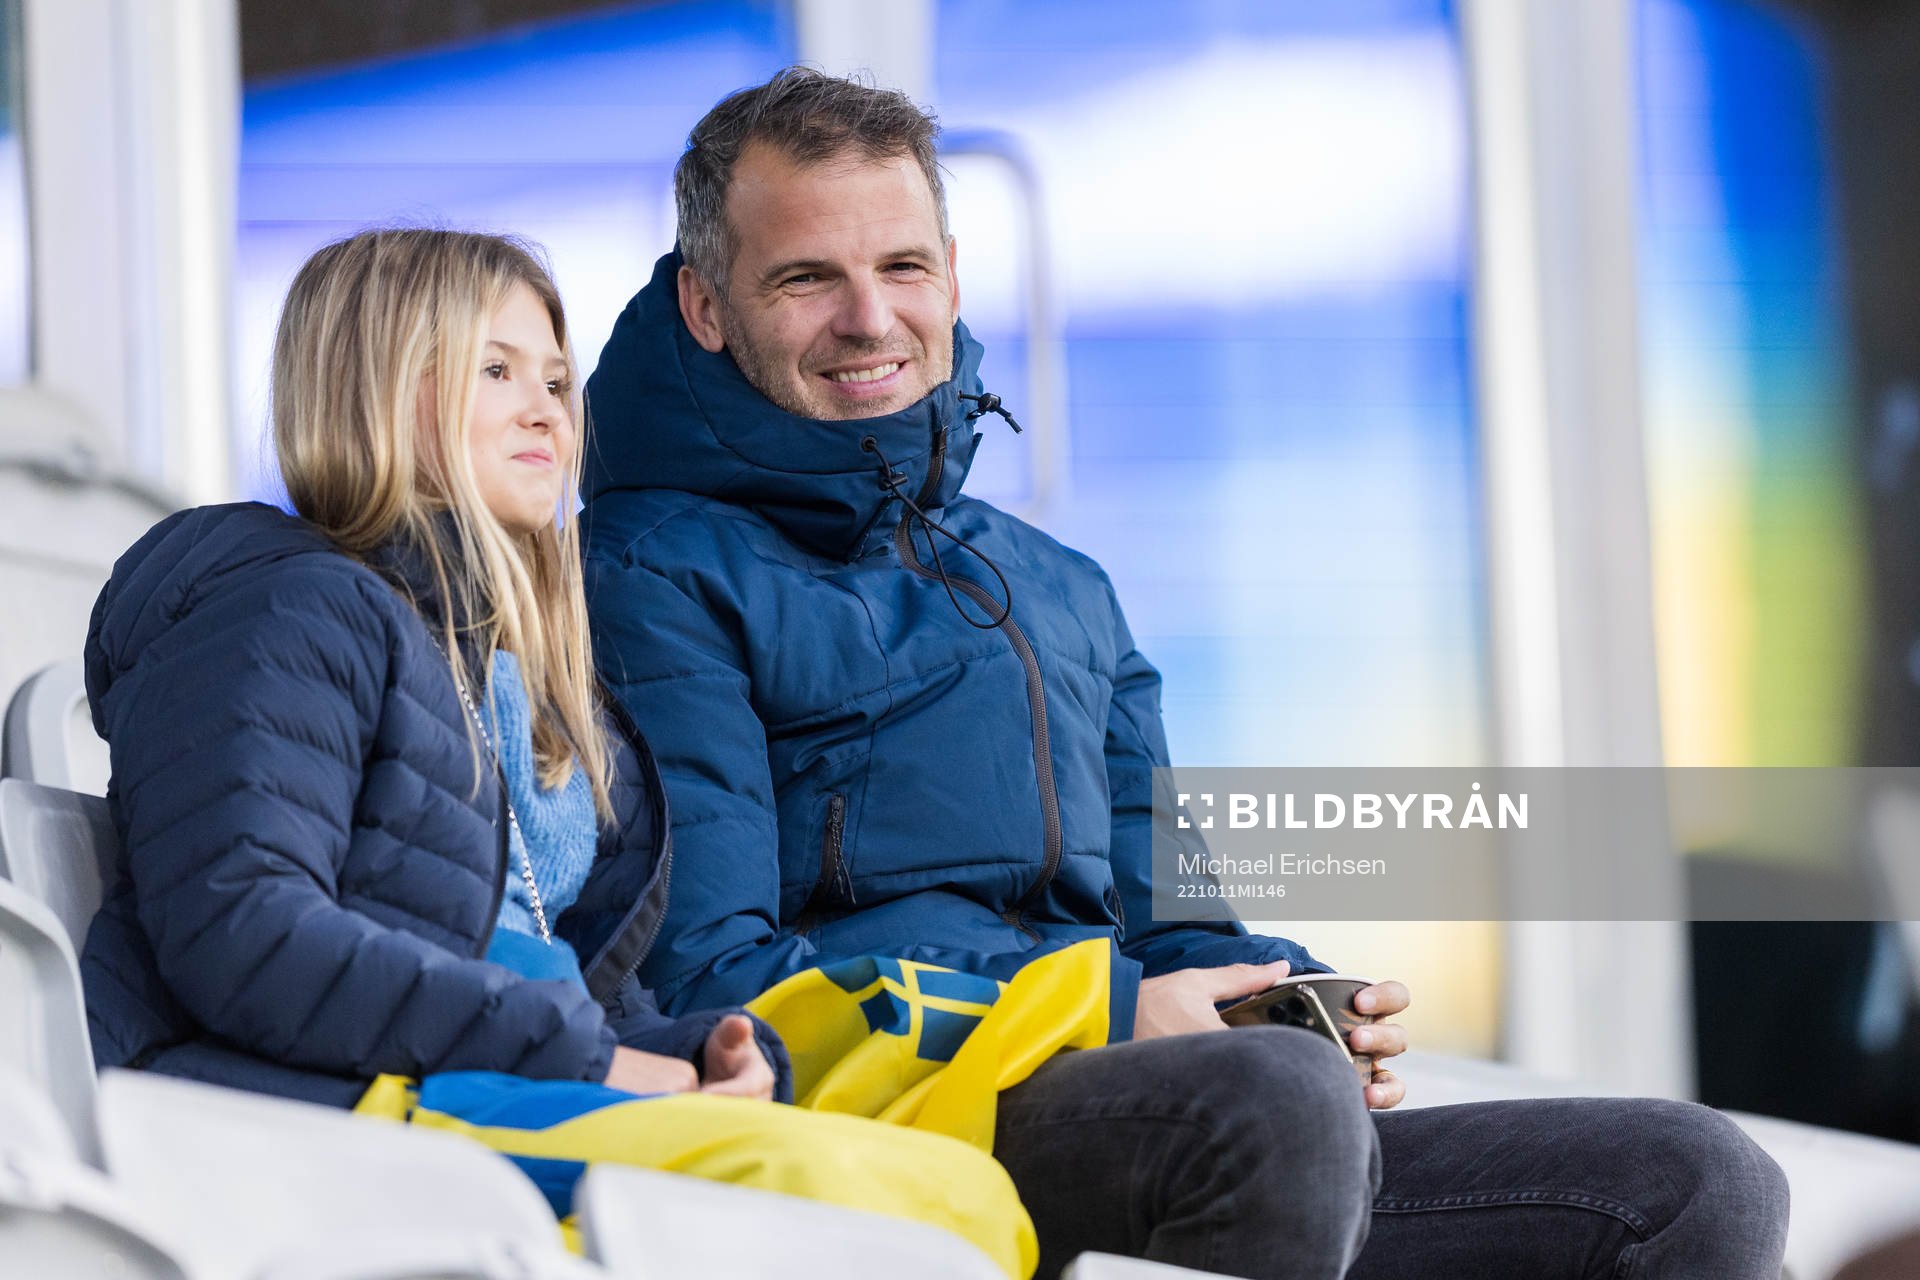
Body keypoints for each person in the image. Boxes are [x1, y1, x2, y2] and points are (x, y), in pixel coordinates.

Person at [580, 69, 1792, 1279]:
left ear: (951, 270)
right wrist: (1104, 1009)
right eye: (806, 277)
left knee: (1690, 1182)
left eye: (901, 268)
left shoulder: (1055, 584)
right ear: (704, 305)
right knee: (1270, 1101)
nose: (868, 318)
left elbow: (1175, 924)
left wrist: (1284, 989)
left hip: (1180, 1105)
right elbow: (708, 978)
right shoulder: (648, 572)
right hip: (902, 1118)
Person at [76, 226, 1033, 1275]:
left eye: (557, 377)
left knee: (957, 1188)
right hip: (331, 1109)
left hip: (480, 1082)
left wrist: (691, 1050)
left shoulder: (511, 666)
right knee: (883, 1199)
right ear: (380, 389)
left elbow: (563, 969)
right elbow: (245, 931)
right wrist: (591, 1055)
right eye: (497, 370)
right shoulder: (290, 609)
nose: (547, 408)